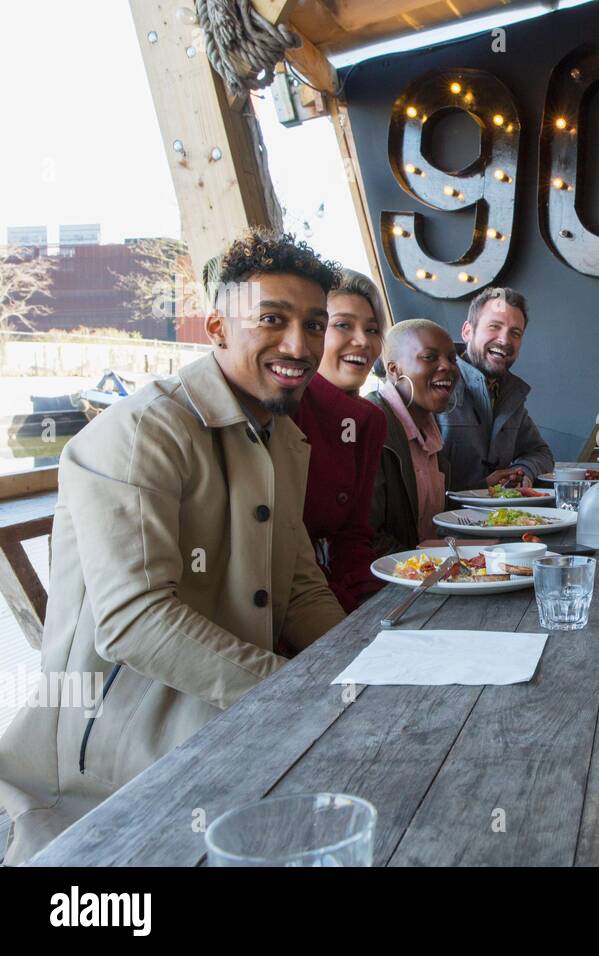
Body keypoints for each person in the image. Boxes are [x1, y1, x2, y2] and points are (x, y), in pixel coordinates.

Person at [0, 228, 346, 865]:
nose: (299, 345)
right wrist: (295, 695)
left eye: (314, 324)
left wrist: (360, 671)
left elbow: (299, 587)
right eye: (272, 319)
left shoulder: (283, 438)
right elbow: (135, 620)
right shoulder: (141, 433)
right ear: (217, 326)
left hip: (237, 716)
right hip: (119, 760)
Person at [292, 268, 389, 610]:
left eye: (372, 329)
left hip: (339, 597)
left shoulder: (370, 420)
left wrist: (372, 606)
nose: (363, 341)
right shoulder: (287, 408)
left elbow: (353, 535)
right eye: (343, 325)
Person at [439, 287, 554, 491]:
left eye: (515, 333)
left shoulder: (510, 395)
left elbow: (540, 453)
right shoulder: (436, 385)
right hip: (444, 521)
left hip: (501, 519)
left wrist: (522, 471)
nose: (504, 340)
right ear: (467, 331)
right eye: (494, 326)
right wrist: (483, 487)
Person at [368, 318, 460, 555]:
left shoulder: (431, 427)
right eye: (430, 357)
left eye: (452, 359)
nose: (447, 367)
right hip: (387, 583)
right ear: (394, 369)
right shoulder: (372, 423)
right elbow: (367, 536)